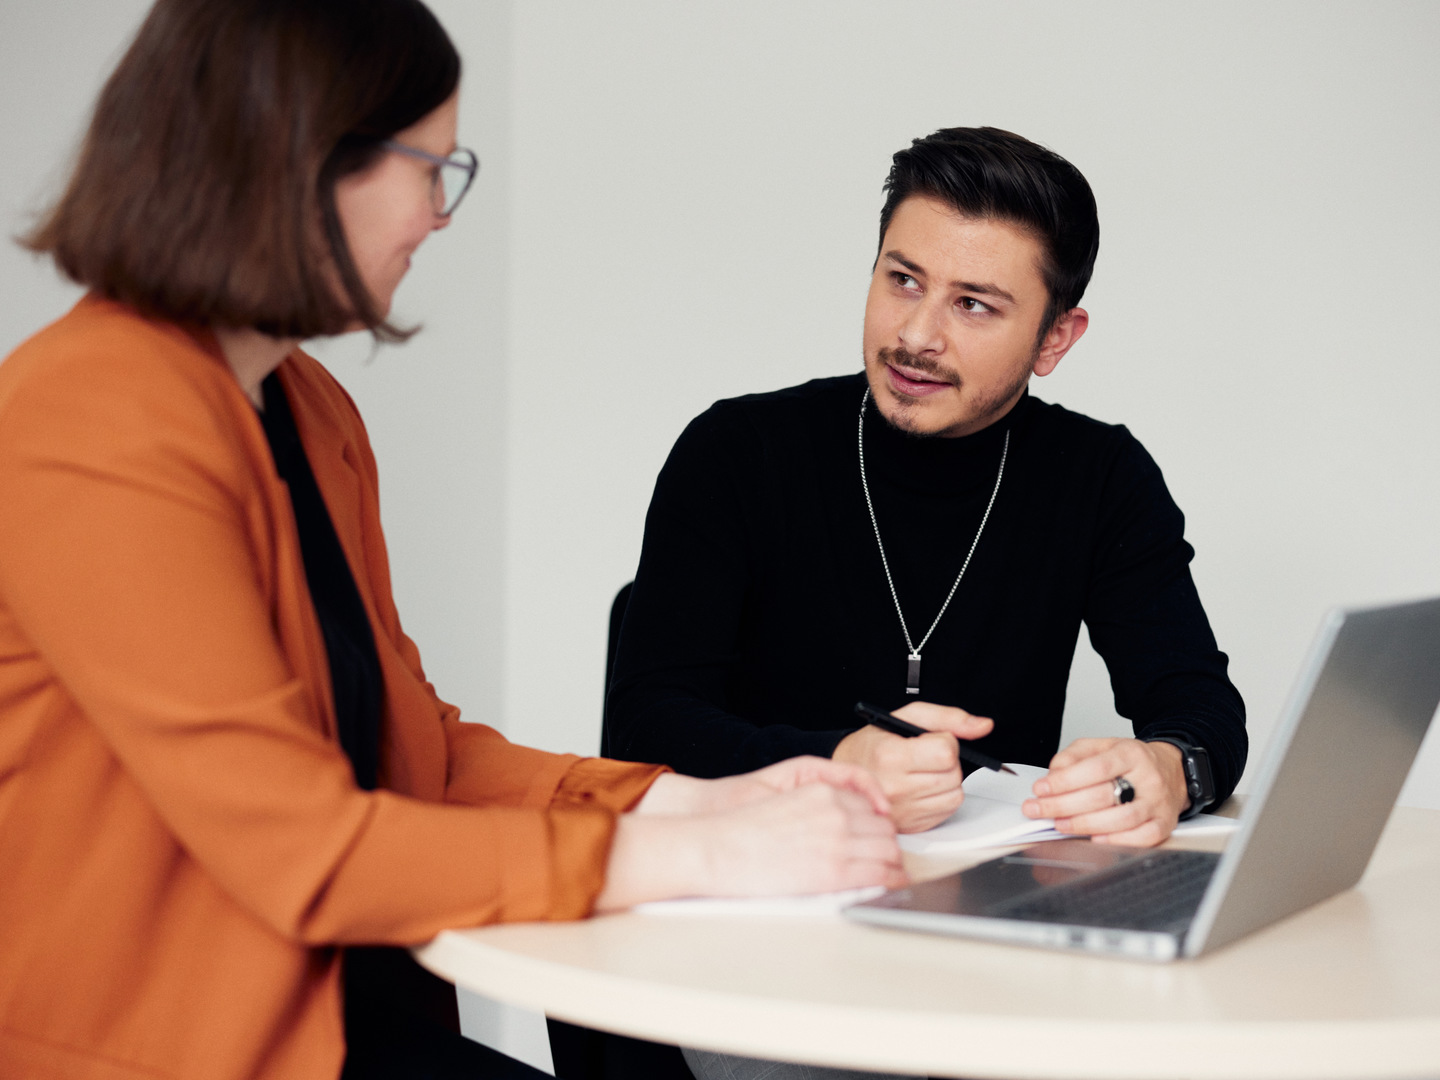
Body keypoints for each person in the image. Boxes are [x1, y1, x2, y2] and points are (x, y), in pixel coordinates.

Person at [0, 3, 905, 1078]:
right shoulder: (85, 417)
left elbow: (411, 745)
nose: (439, 215)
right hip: (175, 1043)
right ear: (301, 161)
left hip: (344, 1012)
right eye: (433, 168)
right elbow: (304, 846)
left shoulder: (308, 406)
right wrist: (702, 852)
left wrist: (700, 797)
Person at [609, 124, 1249, 1080]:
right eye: (901, 280)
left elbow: (1202, 705)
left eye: (975, 305)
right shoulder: (737, 453)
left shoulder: (1099, 478)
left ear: (1056, 339)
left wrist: (1168, 768)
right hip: (751, 940)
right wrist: (834, 761)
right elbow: (647, 720)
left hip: (985, 952)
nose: (916, 334)